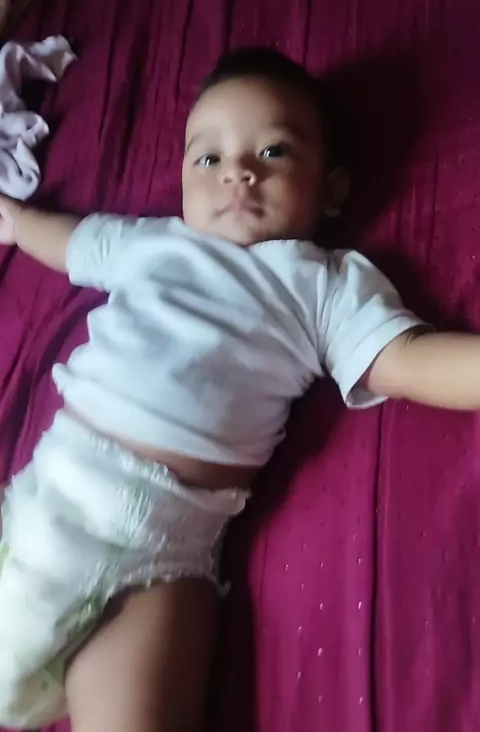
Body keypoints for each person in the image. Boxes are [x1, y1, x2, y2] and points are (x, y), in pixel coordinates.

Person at [0, 46, 478, 731]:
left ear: (332, 190)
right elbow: (74, 242)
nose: (238, 171)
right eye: (209, 158)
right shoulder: (154, 245)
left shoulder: (321, 285)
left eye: (274, 151)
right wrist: (17, 222)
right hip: (45, 504)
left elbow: (410, 359)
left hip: (161, 558)